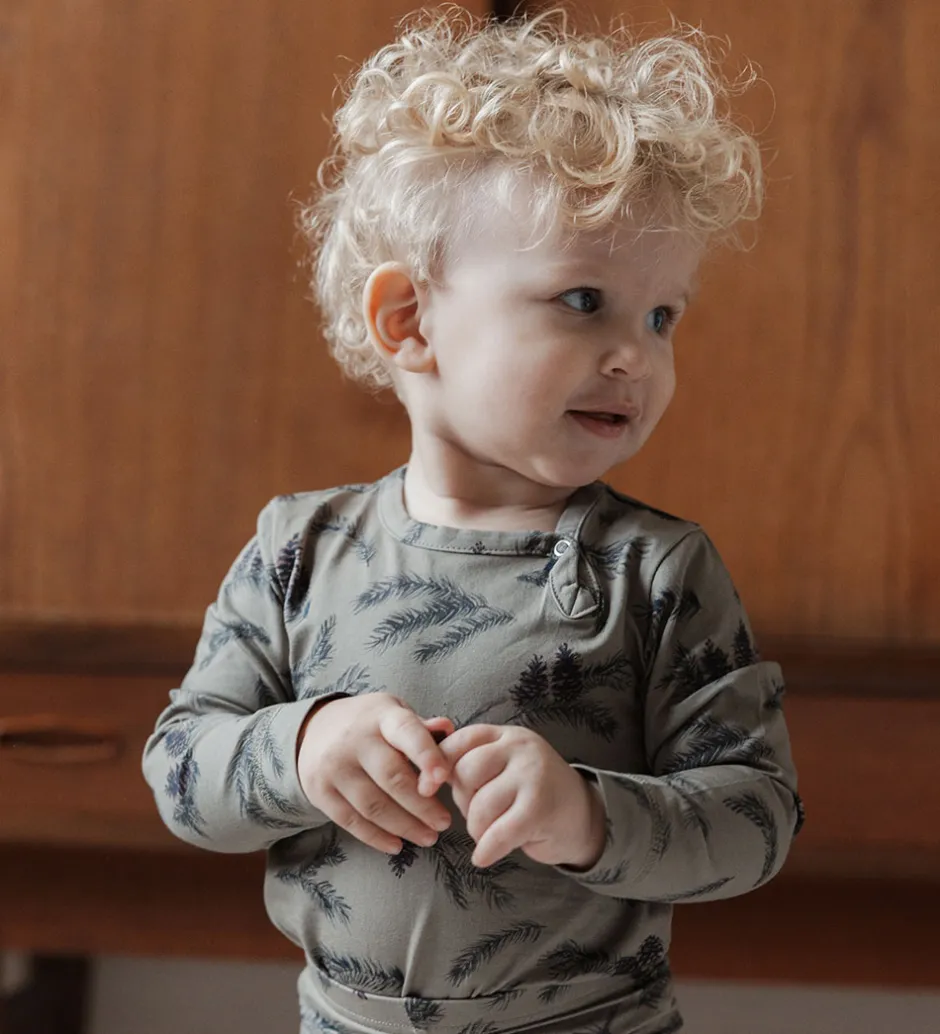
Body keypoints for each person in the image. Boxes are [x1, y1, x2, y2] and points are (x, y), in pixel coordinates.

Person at [142, 7, 802, 1033]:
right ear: (409, 321)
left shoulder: (658, 572)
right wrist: (303, 745)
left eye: (661, 314)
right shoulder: (297, 552)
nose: (636, 353)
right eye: (582, 299)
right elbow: (182, 771)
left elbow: (756, 817)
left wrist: (588, 813)